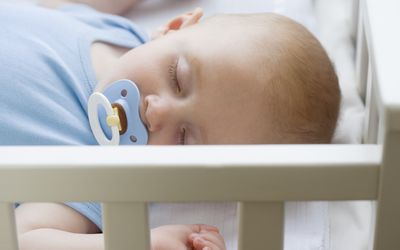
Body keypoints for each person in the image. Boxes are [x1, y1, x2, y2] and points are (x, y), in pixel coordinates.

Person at [0, 0, 341, 249]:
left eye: (184, 139)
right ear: (174, 26)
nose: (156, 112)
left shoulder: (97, 176)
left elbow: (20, 237)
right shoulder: (117, 32)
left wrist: (142, 242)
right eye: (177, 78)